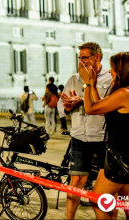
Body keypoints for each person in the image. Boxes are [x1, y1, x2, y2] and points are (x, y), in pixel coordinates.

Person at [57, 42, 111, 219]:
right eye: (79, 58)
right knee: (76, 181)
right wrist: (67, 106)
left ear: (97, 57)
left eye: (85, 57)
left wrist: (84, 99)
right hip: (80, 137)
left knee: (112, 183)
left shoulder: (110, 78)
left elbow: (110, 107)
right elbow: (59, 108)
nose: (81, 62)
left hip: (103, 138)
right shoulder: (74, 79)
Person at [79, 51, 129, 219]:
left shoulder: (124, 94)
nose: (109, 71)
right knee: (126, 203)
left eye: (113, 68)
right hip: (119, 157)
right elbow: (101, 110)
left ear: (122, 69)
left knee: (97, 200)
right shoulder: (123, 93)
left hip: (121, 159)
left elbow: (91, 109)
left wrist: (86, 84)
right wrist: (93, 84)